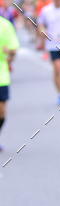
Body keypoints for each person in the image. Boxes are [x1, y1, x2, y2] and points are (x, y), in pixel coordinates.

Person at [0, 15, 19, 151]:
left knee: (1, 112)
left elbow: (13, 49)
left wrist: (10, 54)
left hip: (1, 74)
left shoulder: (5, 25)